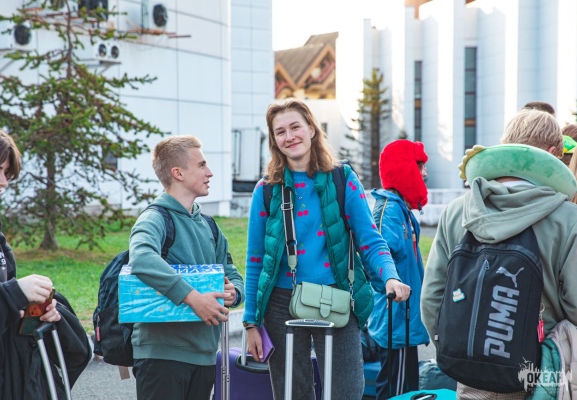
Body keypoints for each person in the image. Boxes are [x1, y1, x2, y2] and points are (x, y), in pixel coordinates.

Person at [243, 99, 411, 400]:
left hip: (336, 296)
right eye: (280, 132)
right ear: (274, 140)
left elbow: (370, 239)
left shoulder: (341, 178)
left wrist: (390, 276)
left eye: (295, 127)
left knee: (347, 390)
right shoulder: (265, 189)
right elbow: (256, 260)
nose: (289, 136)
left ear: (311, 129)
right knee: (292, 394)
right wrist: (250, 322)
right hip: (280, 303)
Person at [420, 109, 577, 399]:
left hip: (471, 375)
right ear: (553, 154)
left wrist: (464, 351)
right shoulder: (568, 219)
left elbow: (432, 298)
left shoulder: (457, 211)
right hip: (541, 376)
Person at [129, 135, 244, 400]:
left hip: (204, 356)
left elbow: (231, 272)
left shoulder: (209, 225)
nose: (209, 172)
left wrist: (234, 292)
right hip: (162, 356)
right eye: (201, 165)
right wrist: (193, 298)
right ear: (178, 173)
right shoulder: (154, 218)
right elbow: (141, 258)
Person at [0, 120, 88, 399]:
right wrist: (15, 293)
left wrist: (35, 309)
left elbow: (0, 305)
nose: (3, 182)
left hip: (1, 376)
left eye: (6, 172)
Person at [368, 140, 431, 399]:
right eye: (419, 166)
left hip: (404, 320)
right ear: (404, 169)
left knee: (406, 389)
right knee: (397, 391)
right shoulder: (389, 210)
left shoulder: (400, 209)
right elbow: (374, 263)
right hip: (396, 319)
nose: (424, 173)